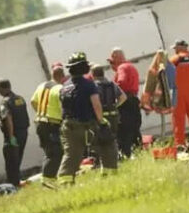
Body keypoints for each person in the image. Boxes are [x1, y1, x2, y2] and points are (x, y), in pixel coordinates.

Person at [58, 52, 116, 185]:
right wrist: (101, 121)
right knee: (107, 144)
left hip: (68, 126)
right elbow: (96, 105)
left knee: (71, 154)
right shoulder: (89, 85)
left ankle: (65, 181)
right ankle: (109, 174)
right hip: (87, 126)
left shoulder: (64, 87)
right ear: (84, 67)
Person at [31, 63, 66, 187]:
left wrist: (41, 112)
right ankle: (48, 178)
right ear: (62, 76)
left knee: (48, 151)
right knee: (57, 152)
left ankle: (49, 177)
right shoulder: (59, 88)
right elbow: (63, 107)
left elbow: (33, 101)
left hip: (40, 123)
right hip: (52, 124)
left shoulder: (42, 86)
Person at [108, 47, 142, 157]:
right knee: (134, 129)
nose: (111, 65)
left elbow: (121, 82)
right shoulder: (131, 66)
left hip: (125, 103)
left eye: (112, 62)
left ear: (117, 58)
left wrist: (110, 91)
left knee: (124, 130)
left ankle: (126, 155)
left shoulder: (122, 67)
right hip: (134, 101)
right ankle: (139, 153)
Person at [0, 79, 31, 187]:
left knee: (11, 160)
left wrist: (11, 136)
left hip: (13, 135)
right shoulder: (20, 99)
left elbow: (8, 119)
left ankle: (13, 184)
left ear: (1, 89)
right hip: (23, 133)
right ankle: (16, 181)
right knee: (17, 159)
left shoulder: (5, 102)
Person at [91, 64, 124, 164]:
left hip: (101, 117)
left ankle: (101, 162)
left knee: (99, 140)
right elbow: (123, 97)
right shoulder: (112, 84)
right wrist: (115, 106)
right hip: (113, 115)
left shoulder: (93, 86)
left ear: (93, 74)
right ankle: (115, 160)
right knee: (112, 139)